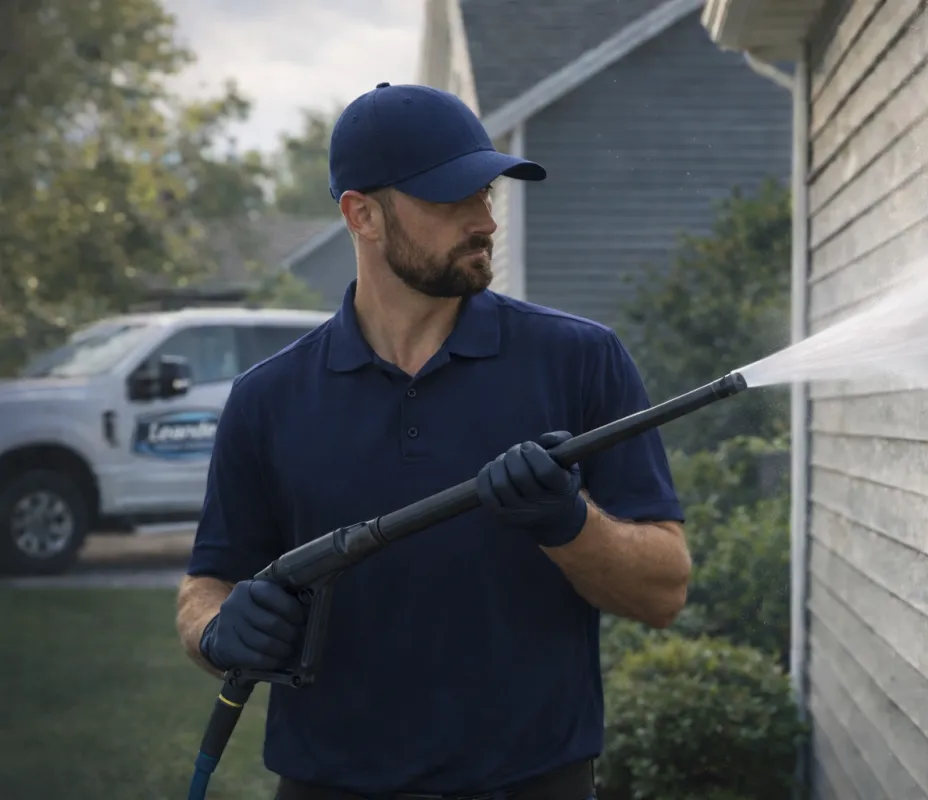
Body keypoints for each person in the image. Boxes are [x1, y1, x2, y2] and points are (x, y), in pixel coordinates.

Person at [175, 82, 691, 800]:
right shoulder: (269, 398)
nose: (485, 220)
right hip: (330, 784)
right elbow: (207, 584)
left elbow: (665, 589)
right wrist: (217, 631)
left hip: (531, 783)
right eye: (452, 199)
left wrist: (569, 523)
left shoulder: (578, 360)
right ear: (362, 215)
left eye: (485, 192)